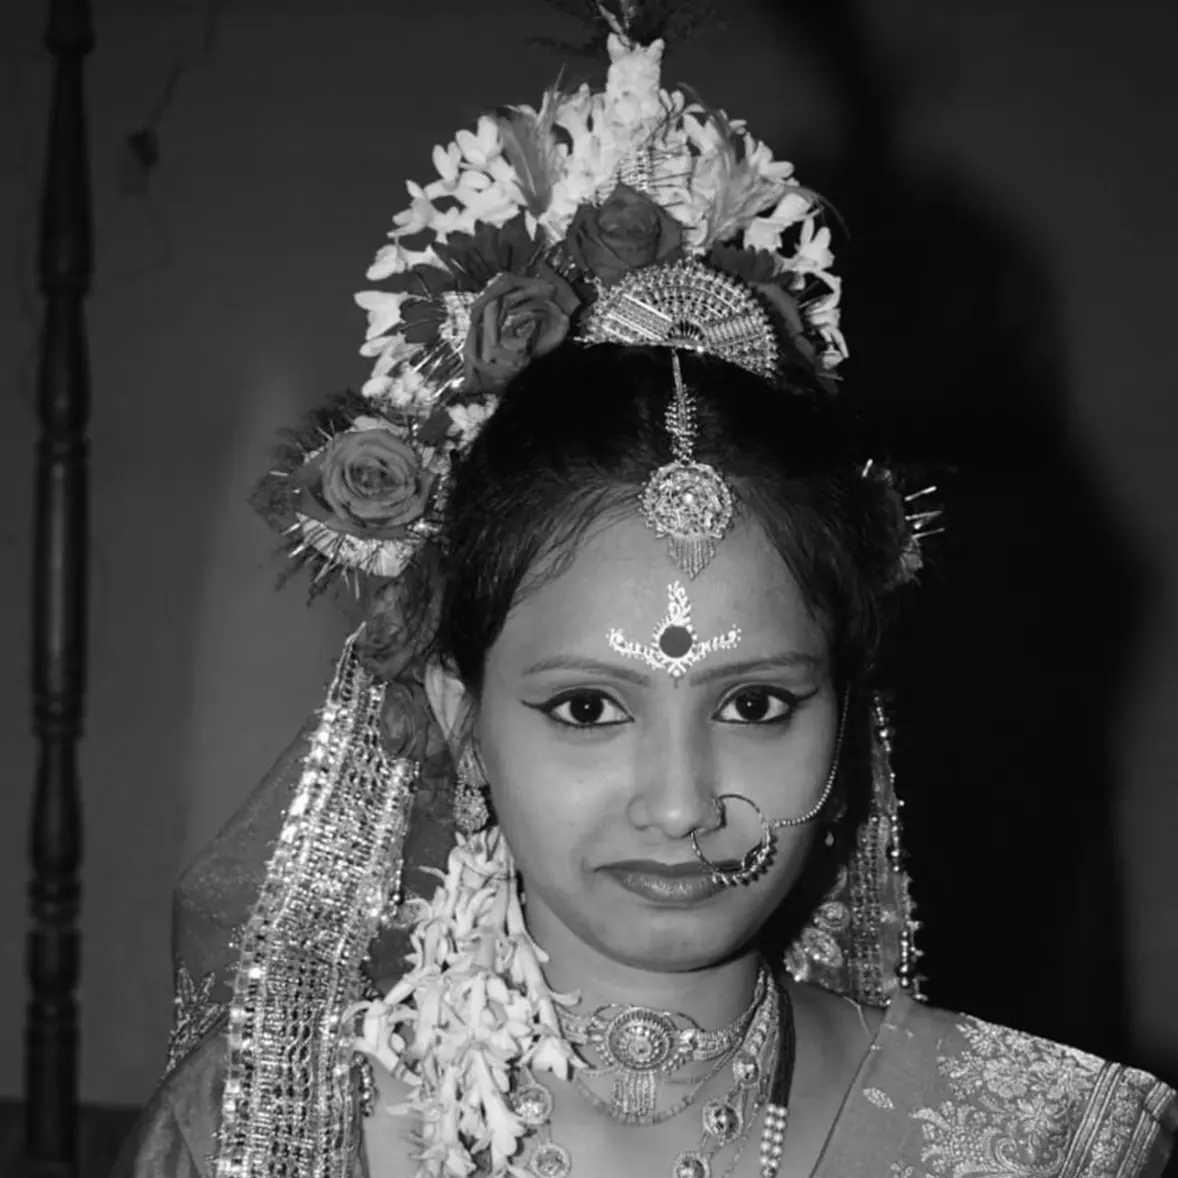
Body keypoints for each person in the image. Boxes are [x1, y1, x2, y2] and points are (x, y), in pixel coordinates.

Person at [114, 7, 1177, 1177]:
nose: (680, 806)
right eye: (585, 706)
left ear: (847, 712)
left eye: (756, 703)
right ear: (461, 716)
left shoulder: (1038, 1140)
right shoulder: (256, 1133)